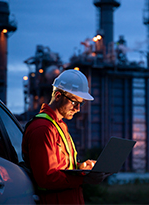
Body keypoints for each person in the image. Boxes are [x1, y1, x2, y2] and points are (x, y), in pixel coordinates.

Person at [22, 69, 109, 204]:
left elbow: (62, 168)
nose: (78, 108)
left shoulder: (59, 126)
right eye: (74, 102)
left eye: (81, 103)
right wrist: (83, 179)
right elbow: (46, 178)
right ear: (57, 96)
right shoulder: (42, 129)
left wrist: (81, 168)